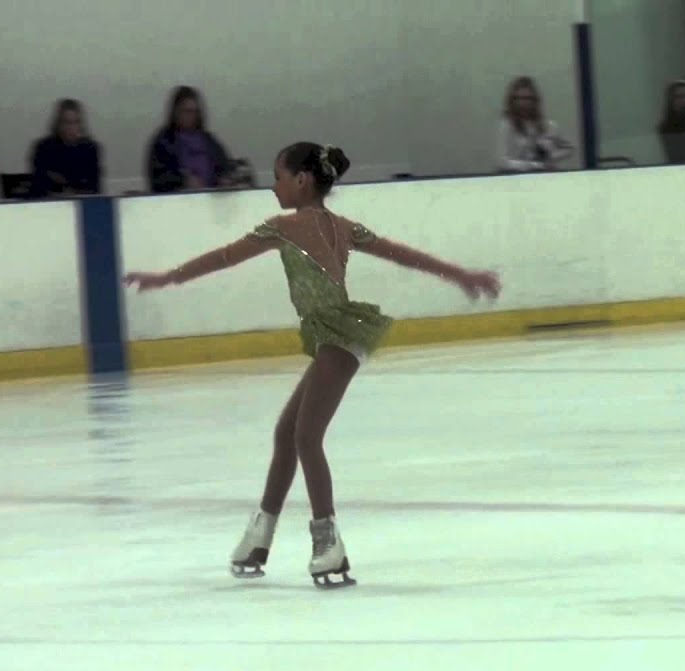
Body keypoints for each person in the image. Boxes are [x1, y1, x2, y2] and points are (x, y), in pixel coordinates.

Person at [124, 142, 502, 589]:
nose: (274, 186)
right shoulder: (341, 226)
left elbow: (225, 257)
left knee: (305, 436)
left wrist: (169, 277)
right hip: (335, 337)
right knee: (287, 434)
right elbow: (401, 253)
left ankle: (328, 545)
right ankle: (259, 537)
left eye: (279, 176)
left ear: (302, 180)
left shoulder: (284, 229)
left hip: (338, 337)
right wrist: (460, 275)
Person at [146, 85, 253, 193]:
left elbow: (225, 166)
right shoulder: (163, 142)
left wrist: (225, 179)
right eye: (187, 111)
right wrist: (183, 180)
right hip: (178, 201)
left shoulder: (208, 140)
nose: (191, 117)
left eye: (195, 112)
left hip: (211, 199)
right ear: (175, 112)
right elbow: (158, 179)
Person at [28, 98, 103, 198]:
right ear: (58, 124)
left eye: (76, 122)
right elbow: (38, 185)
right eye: (67, 122)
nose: (71, 128)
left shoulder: (90, 149)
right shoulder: (44, 148)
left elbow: (94, 188)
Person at [497, 76, 573, 173]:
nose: (523, 103)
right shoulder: (506, 126)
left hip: (545, 177)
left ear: (535, 100)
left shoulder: (549, 126)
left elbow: (569, 148)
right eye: (518, 98)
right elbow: (502, 162)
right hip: (516, 179)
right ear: (512, 101)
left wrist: (552, 156)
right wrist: (535, 165)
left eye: (527, 98)